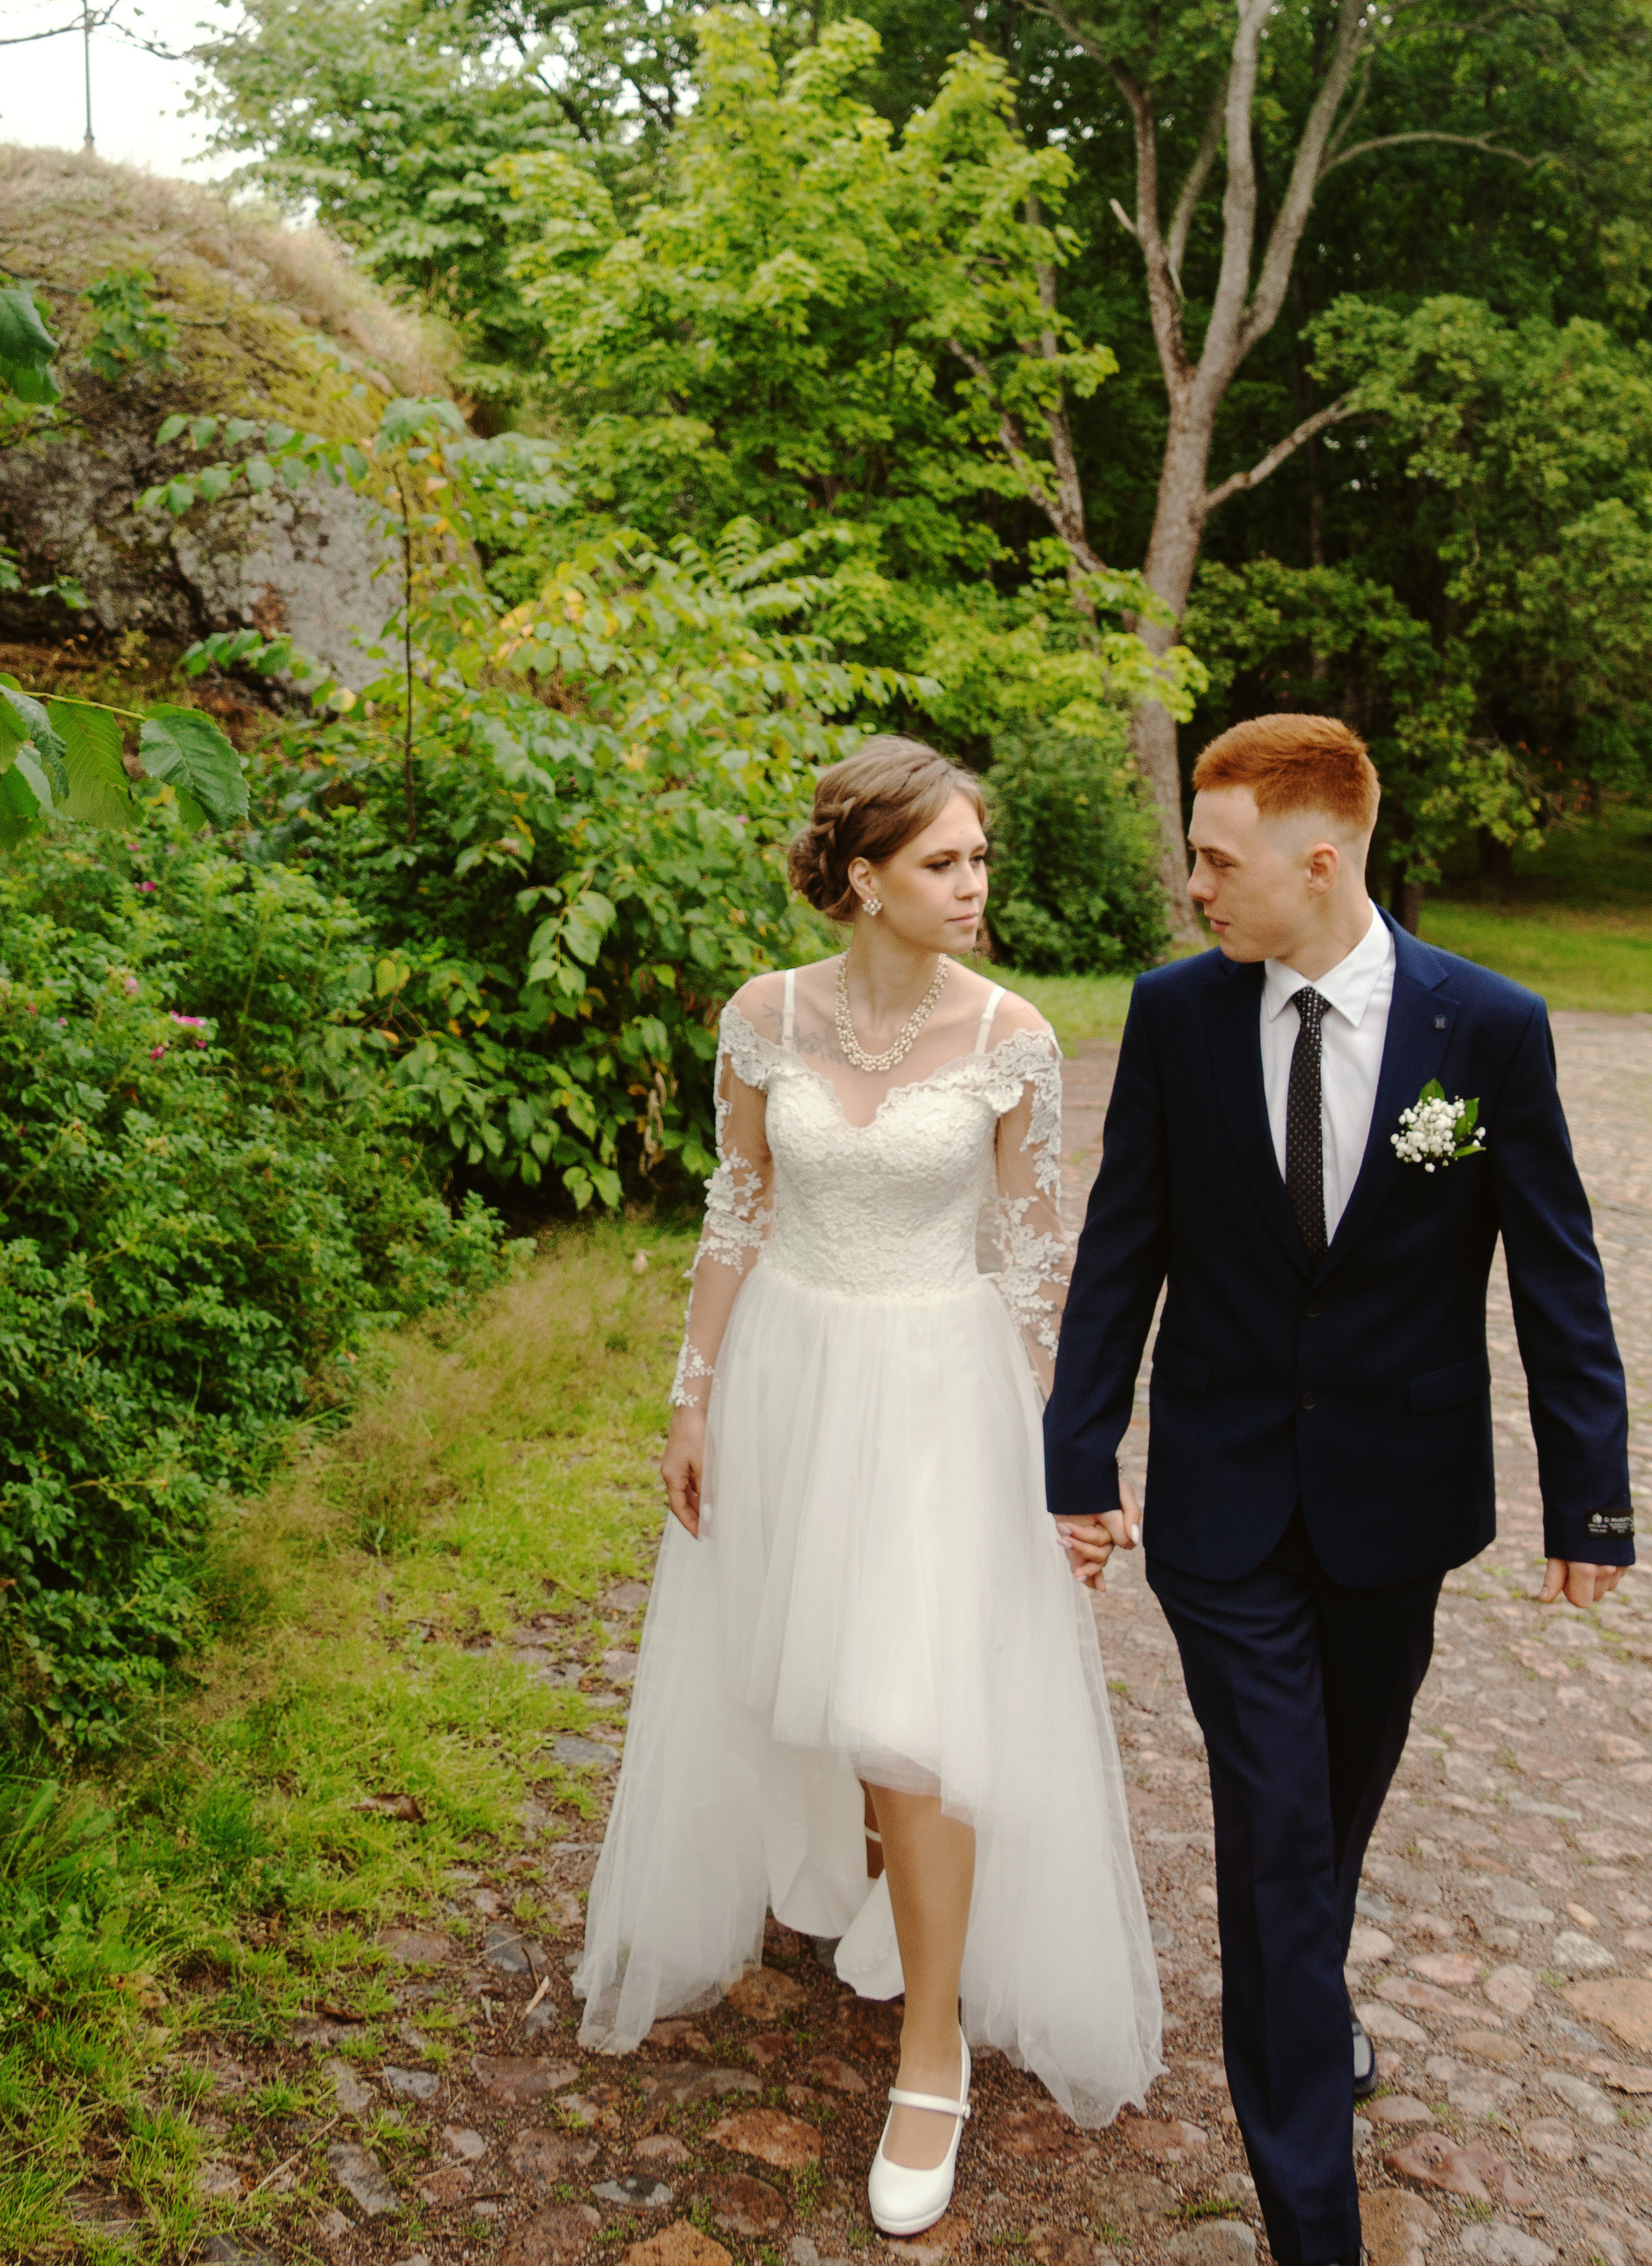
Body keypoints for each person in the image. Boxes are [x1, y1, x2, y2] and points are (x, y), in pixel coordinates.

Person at [1045, 713, 1634, 2266]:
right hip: (1225, 1506)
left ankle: (1307, 1989)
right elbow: (1125, 1250)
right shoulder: (1175, 1019)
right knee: (1276, 1828)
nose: (1192, 886)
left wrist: (1595, 1498)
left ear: (1321, 862)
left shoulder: (1488, 1029)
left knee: (1331, 1808)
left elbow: (1556, 1275)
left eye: (1215, 858)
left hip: (1401, 1499)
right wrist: (1078, 1451)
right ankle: (1316, 2218)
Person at [575, 736, 1162, 2235]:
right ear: (862, 880)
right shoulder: (761, 1017)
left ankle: (931, 2050)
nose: (978, 886)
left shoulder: (1011, 1037)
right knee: (807, 1669)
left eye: (979, 859)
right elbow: (737, 1209)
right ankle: (861, 1900)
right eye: (946, 863)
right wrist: (690, 1400)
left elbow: (1040, 1266)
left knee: (909, 1707)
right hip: (788, 1370)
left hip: (937, 1394)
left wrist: (1065, 1460)